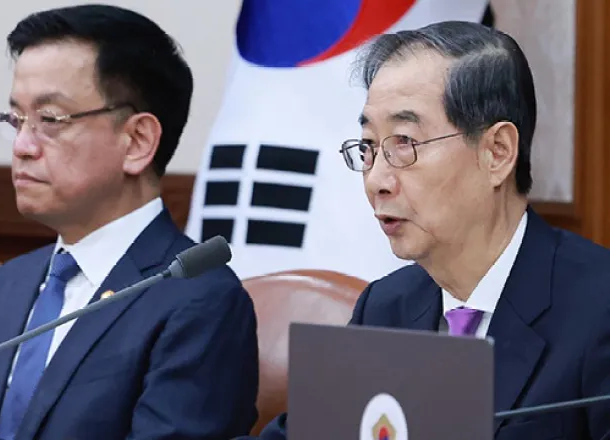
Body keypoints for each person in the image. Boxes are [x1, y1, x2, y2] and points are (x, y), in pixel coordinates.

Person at [241, 21, 610, 440]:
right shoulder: (386, 308)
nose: (376, 180)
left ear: (497, 152)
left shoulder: (599, 308)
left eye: (405, 143)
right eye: (368, 147)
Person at [0, 5, 258, 440]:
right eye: (15, 120)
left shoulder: (199, 301)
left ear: (137, 141)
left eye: (49, 120)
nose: (22, 146)